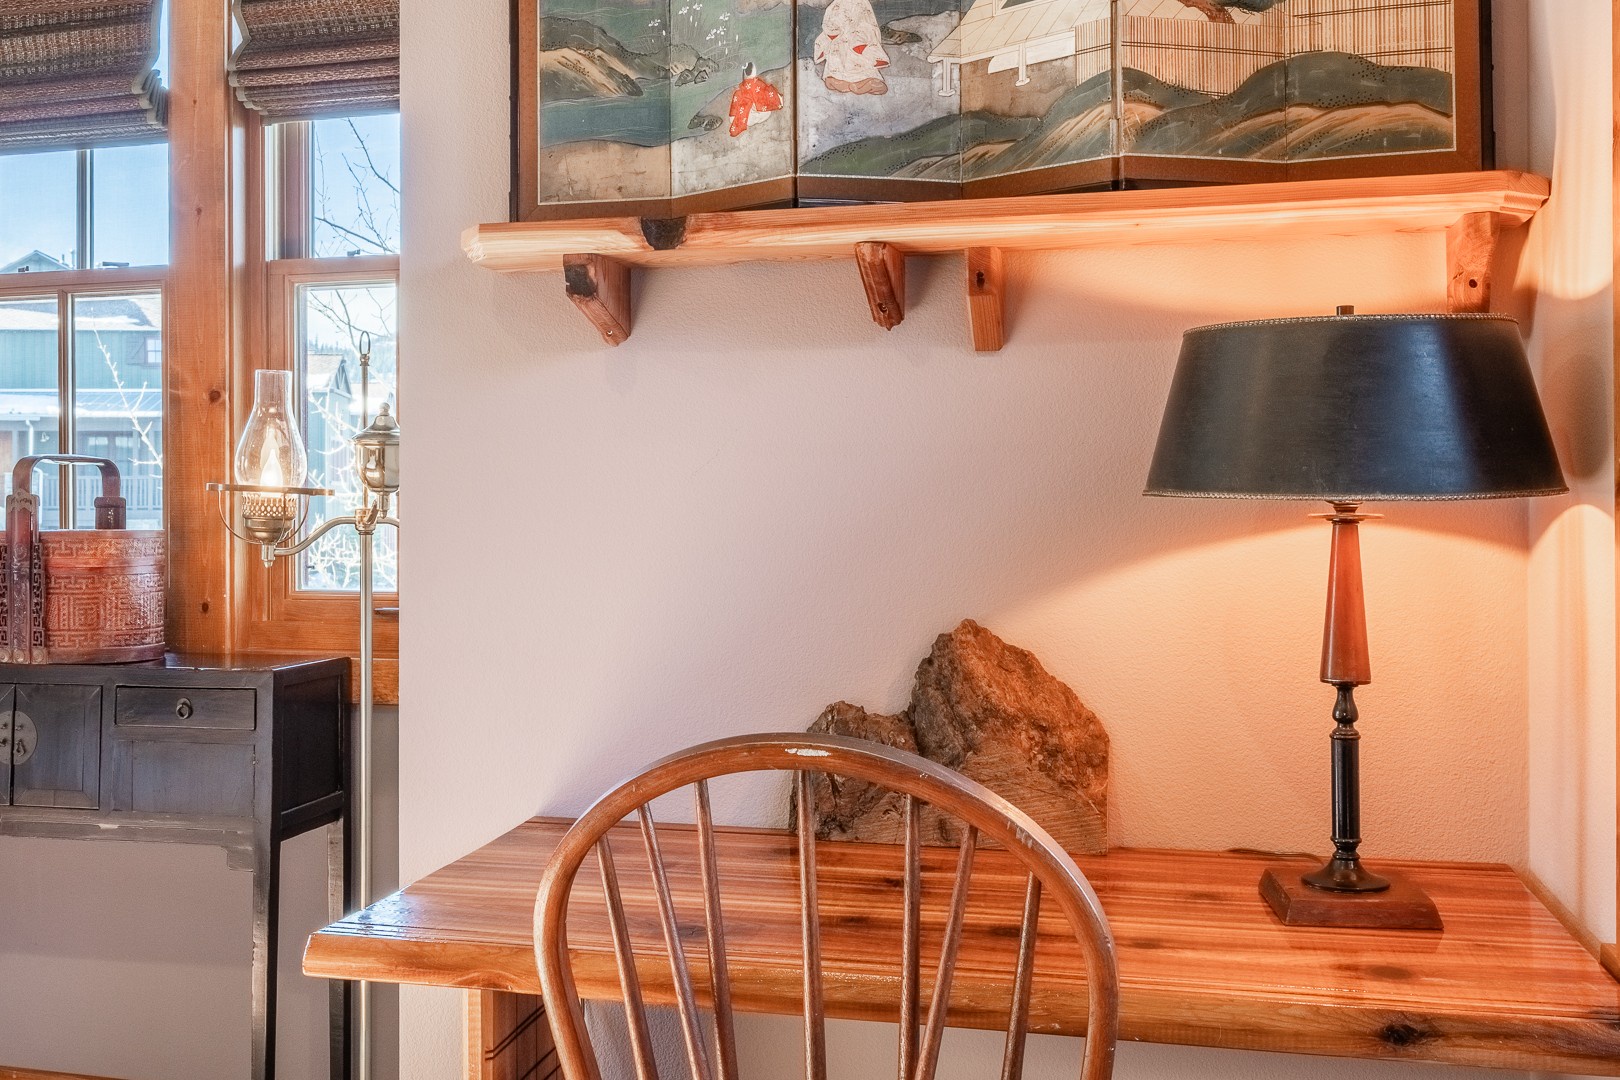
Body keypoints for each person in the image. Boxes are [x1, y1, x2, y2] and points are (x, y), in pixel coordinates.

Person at [814, 0, 890, 95]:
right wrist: (830, 36)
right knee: (831, 79)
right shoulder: (835, 6)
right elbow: (829, 26)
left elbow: (867, 25)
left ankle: (863, 84)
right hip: (841, 47)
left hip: (856, 45)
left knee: (862, 70)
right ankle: (851, 85)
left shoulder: (860, 5)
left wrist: (862, 44)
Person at [727, 61, 783, 136]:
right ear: (754, 72)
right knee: (767, 111)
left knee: (740, 114)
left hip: (748, 118)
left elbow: (733, 113)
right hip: (760, 114)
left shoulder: (739, 91)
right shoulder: (758, 83)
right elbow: (768, 93)